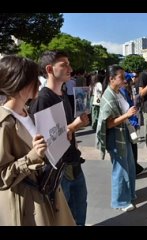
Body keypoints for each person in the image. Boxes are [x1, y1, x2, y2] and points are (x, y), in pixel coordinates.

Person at [0, 55, 75, 226]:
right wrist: (32, 157)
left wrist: (60, 140)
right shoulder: (4, 123)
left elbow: (42, 149)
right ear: (20, 83)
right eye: (35, 79)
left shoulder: (27, 113)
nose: (40, 83)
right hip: (27, 206)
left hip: (47, 194)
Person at [29, 50, 89, 226]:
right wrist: (73, 126)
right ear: (49, 69)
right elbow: (44, 143)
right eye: (64, 64)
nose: (69, 68)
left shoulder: (62, 96)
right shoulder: (42, 99)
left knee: (79, 211)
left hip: (74, 163)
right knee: (62, 218)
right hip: (58, 172)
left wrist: (75, 129)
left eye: (69, 63)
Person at [96, 65, 137, 212]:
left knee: (130, 166)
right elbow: (108, 124)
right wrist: (127, 115)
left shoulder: (119, 92)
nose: (124, 79)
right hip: (115, 136)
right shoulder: (108, 96)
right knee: (120, 169)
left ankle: (129, 194)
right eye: (121, 77)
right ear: (111, 79)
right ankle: (120, 201)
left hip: (123, 133)